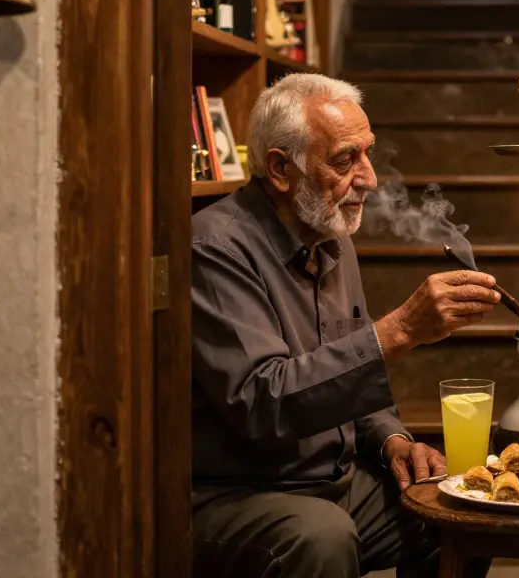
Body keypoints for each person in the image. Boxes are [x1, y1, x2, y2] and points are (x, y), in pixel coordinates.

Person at [190, 73, 500, 578]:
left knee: (464, 511)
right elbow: (263, 402)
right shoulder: (215, 250)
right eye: (344, 159)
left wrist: (392, 441)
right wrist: (397, 330)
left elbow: (353, 391)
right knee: (321, 536)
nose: (370, 178)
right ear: (280, 169)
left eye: (368, 153)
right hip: (239, 492)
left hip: (331, 480)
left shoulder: (331, 237)